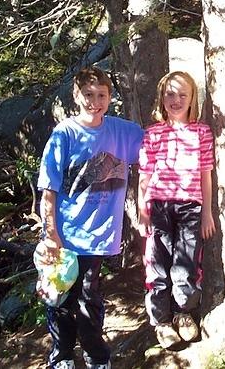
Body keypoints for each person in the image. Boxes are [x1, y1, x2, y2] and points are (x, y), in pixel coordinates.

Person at [36, 66, 144, 369]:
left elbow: (158, 146)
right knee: (60, 298)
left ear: (110, 97)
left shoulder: (124, 132)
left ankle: (97, 356)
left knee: (89, 297)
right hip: (65, 237)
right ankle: (62, 356)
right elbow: (49, 189)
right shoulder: (65, 134)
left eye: (101, 95)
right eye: (88, 94)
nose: (94, 101)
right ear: (76, 95)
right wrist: (50, 234)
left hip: (99, 236)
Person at [138, 71, 215, 349]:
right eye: (170, 94)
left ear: (193, 98)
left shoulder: (202, 132)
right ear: (161, 97)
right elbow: (144, 174)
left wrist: (207, 212)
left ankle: (184, 313)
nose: (176, 100)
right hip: (159, 205)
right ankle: (161, 320)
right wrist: (142, 208)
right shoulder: (154, 133)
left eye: (183, 94)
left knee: (186, 263)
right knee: (158, 261)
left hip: (191, 207)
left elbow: (206, 174)